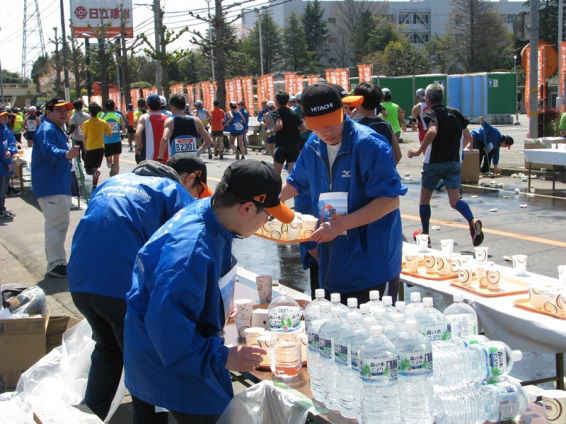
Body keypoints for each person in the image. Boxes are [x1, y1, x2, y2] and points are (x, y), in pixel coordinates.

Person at [124, 160, 294, 423]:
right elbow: (168, 331)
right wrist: (224, 357)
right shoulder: (191, 252)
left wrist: (219, 305)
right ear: (247, 208)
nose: (266, 223)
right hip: (168, 358)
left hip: (175, 345)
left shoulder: (212, 213)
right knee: (220, 415)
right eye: (268, 216)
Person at [68, 155, 211, 421]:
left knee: (108, 348)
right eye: (198, 190)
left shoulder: (112, 182)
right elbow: (196, 236)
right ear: (188, 179)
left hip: (80, 281)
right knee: (145, 365)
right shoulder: (171, 189)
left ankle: (90, 416)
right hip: (118, 286)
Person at [280, 83, 407, 303]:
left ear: (344, 111)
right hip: (333, 264)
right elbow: (295, 183)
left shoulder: (369, 145)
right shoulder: (313, 145)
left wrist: (339, 225)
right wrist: (268, 204)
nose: (326, 131)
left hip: (372, 266)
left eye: (332, 122)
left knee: (373, 334)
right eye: (318, 126)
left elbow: (389, 201)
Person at [408, 83, 484, 247]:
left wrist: (418, 151)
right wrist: (459, 150)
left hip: (434, 162)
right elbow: (468, 137)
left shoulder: (430, 112)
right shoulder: (455, 113)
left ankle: (425, 234)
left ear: (427, 99)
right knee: (455, 200)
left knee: (424, 200)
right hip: (454, 162)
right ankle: (472, 220)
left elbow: (432, 131)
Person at [31, 98, 80, 278]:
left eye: (66, 110)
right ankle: (56, 264)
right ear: (48, 112)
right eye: (59, 110)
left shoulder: (55, 129)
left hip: (56, 184)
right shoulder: (47, 129)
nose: (64, 113)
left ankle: (58, 262)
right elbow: (47, 149)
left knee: (58, 224)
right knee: (56, 225)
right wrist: (66, 154)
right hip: (52, 186)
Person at [353, 82, 402, 165]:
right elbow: (398, 155)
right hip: (385, 174)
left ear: (358, 101)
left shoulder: (358, 128)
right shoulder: (386, 125)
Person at [157, 94, 212, 162]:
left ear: (172, 107)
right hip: (192, 159)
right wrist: (198, 152)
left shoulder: (170, 121)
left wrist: (160, 158)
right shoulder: (196, 121)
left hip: (176, 160)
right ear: (184, 106)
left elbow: (164, 139)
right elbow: (208, 140)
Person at [268, 90, 305, 175]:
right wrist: (294, 132)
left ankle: (277, 188)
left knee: (277, 173)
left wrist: (270, 131)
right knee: (292, 173)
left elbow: (279, 125)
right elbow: (304, 128)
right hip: (294, 146)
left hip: (281, 146)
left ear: (276, 101)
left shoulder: (275, 112)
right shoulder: (293, 112)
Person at [81, 102, 111, 190]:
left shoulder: (86, 123)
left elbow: (84, 137)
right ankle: (94, 184)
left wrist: (84, 147)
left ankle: (95, 176)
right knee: (95, 167)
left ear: (89, 111)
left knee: (88, 169)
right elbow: (109, 134)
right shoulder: (103, 122)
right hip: (100, 148)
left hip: (90, 148)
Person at [135, 94, 168, 163]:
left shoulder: (144, 118)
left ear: (147, 106)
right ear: (160, 105)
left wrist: (138, 148)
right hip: (165, 157)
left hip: (149, 158)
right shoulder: (167, 118)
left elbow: (137, 134)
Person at [100, 99, 125, 177]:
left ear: (106, 107)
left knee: (109, 162)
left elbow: (100, 129)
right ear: (114, 107)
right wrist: (120, 132)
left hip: (107, 142)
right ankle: (114, 175)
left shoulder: (102, 116)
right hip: (117, 141)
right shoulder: (118, 116)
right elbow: (124, 129)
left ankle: (111, 168)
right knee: (116, 161)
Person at [0, 109, 16, 220]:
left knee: (4, 190)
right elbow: (1, 150)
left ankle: (2, 208)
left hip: (6, 164)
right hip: (2, 165)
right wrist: (8, 162)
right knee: (1, 190)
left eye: (7, 116)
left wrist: (11, 150)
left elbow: (11, 141)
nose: (6, 118)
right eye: (3, 116)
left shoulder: (5, 128)